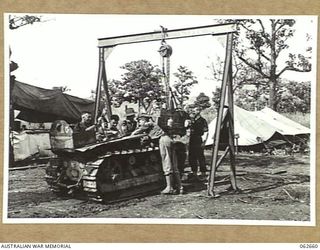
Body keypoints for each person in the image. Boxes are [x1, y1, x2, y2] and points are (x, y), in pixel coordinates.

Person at [159, 117, 184, 194]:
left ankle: (169, 187)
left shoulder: (163, 137)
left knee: (167, 163)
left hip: (164, 139)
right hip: (170, 139)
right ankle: (180, 186)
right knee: (174, 164)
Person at [188, 106, 209, 181]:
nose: (194, 112)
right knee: (192, 156)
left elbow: (206, 132)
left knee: (200, 156)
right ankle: (194, 173)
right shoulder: (191, 120)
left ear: (199, 111)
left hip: (199, 139)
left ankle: (203, 173)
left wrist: (204, 142)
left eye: (196, 110)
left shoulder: (203, 120)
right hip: (192, 139)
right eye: (193, 110)